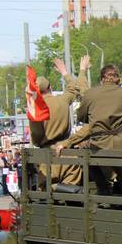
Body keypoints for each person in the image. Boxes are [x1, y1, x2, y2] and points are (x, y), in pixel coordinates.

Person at [56, 60, 122, 198]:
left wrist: (82, 70)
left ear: (102, 79)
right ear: (118, 78)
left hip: (100, 146)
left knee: (84, 152)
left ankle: (103, 188)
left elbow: (82, 116)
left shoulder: (91, 94)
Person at [31, 56, 89, 187]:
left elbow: (36, 138)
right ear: (50, 88)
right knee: (71, 194)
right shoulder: (62, 101)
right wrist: (64, 72)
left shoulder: (36, 109)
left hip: (47, 157)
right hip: (68, 153)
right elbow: (73, 88)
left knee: (47, 196)